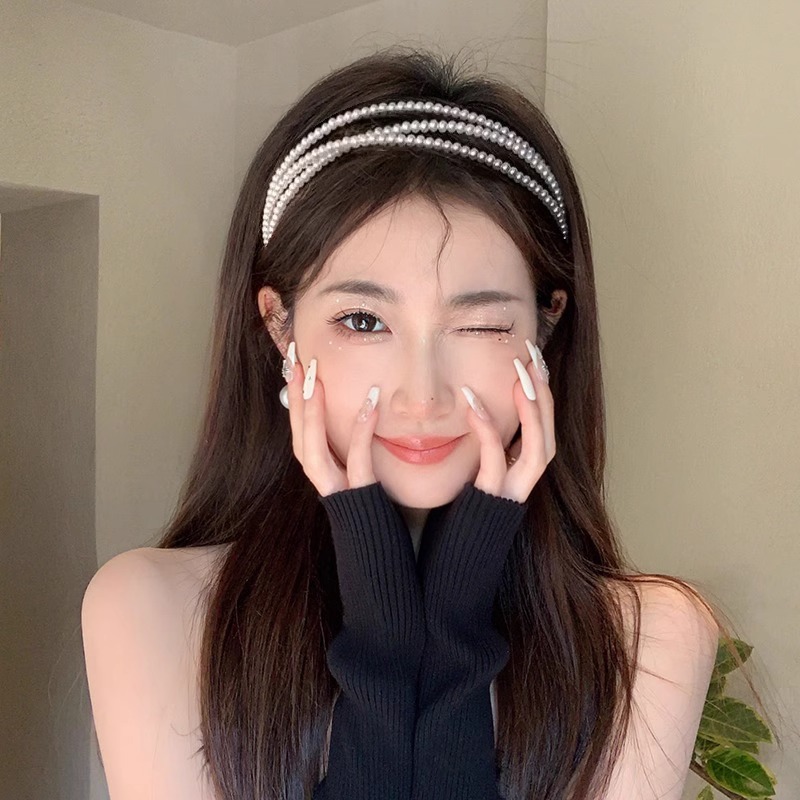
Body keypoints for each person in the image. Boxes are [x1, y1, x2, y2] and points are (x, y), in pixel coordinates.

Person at [81, 47, 727, 800]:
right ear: (279, 326)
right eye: (363, 320)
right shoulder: (153, 611)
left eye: (480, 324)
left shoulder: (651, 639)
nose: (422, 396)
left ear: (547, 328)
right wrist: (387, 642)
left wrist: (449, 626)